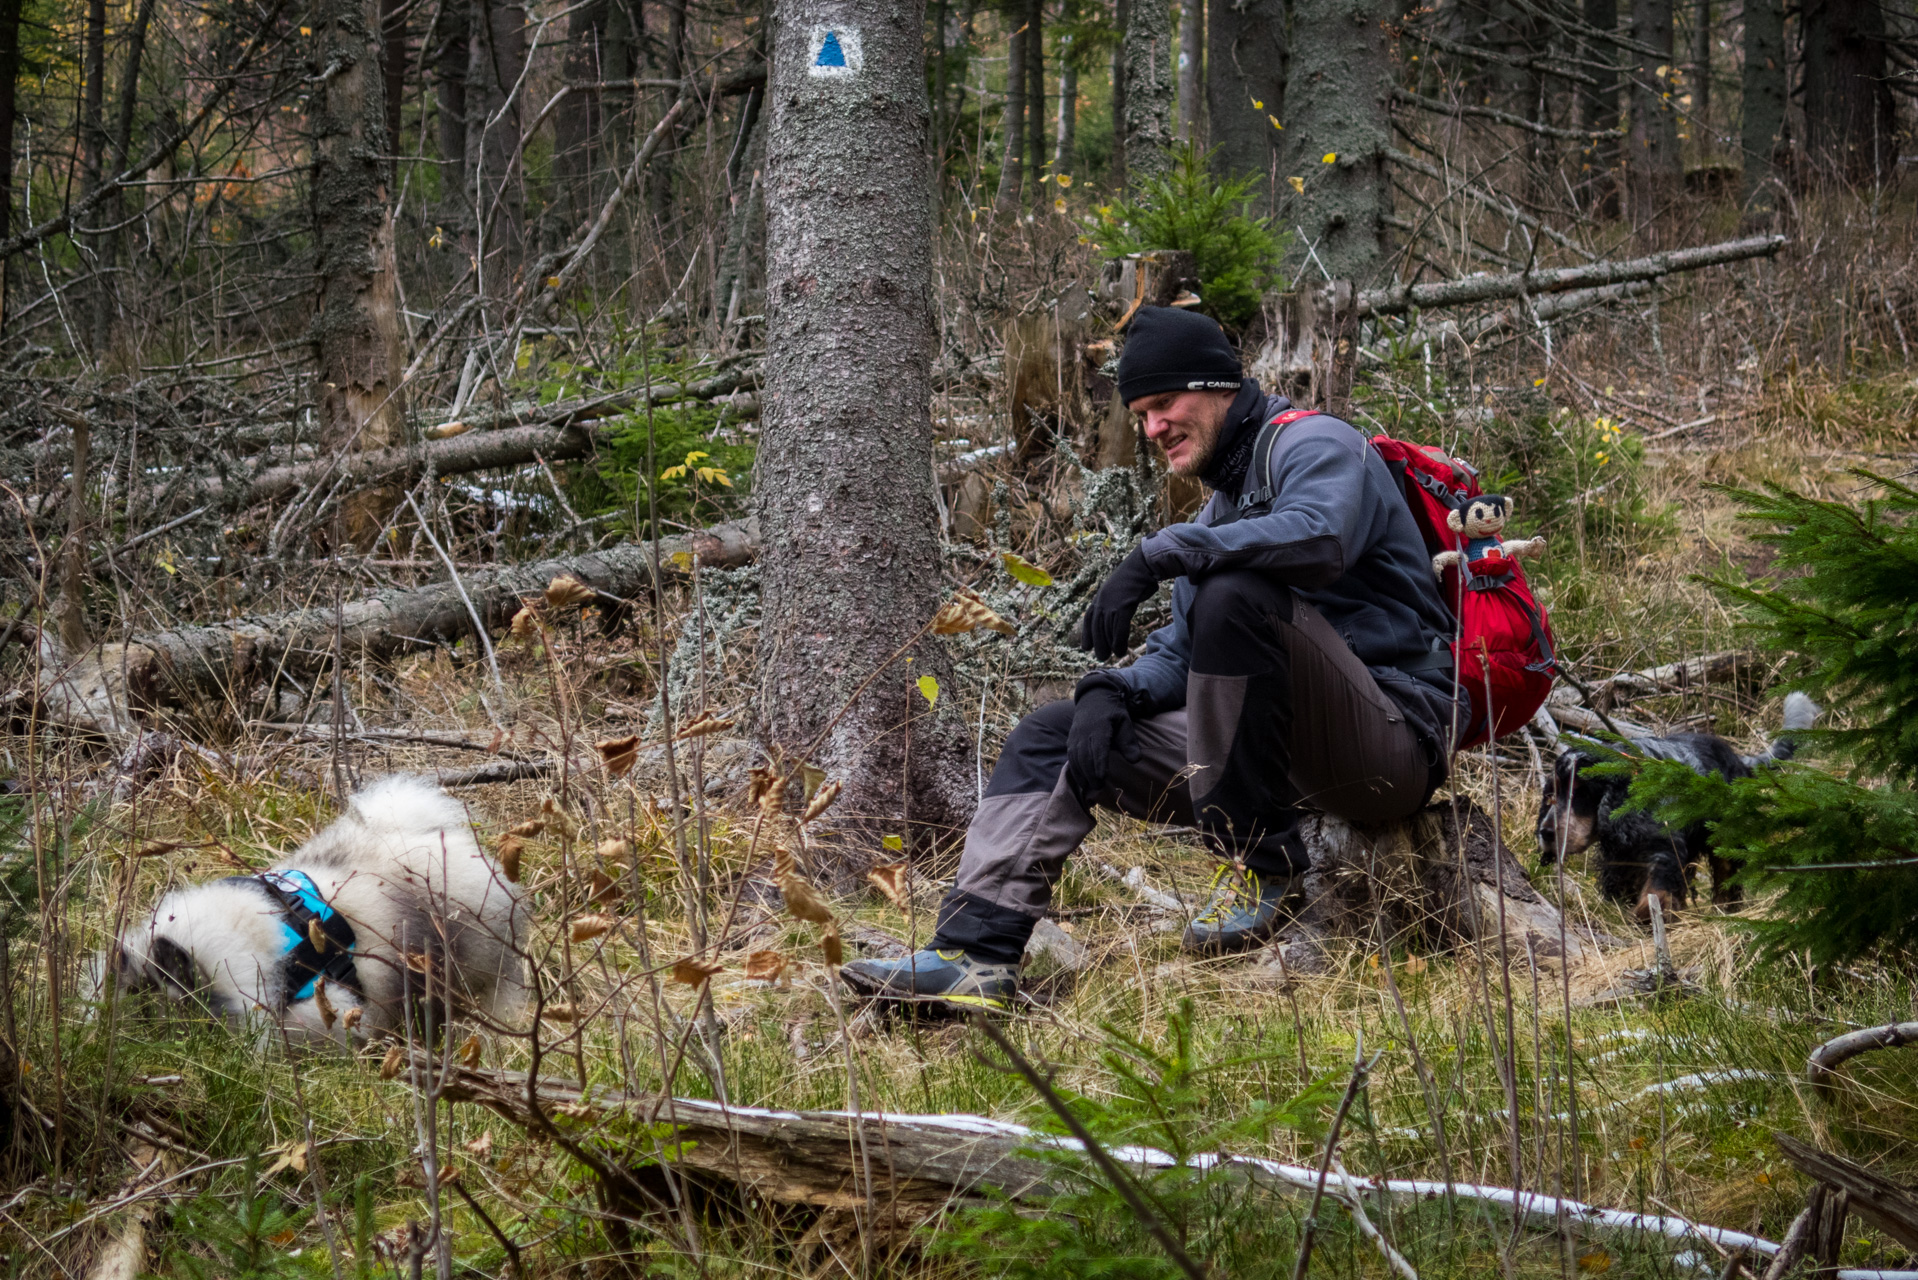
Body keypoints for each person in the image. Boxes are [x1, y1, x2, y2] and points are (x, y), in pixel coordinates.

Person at [842, 306, 1458, 1010]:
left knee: (1235, 592)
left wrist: (1161, 552)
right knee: (1055, 732)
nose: (1152, 428)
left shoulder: (1317, 444)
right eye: (1141, 413)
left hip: (1384, 746)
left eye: (1165, 404)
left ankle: (1262, 861)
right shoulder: (1221, 510)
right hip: (1278, 753)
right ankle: (975, 955)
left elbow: (1320, 539)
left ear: (1221, 386)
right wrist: (1114, 691)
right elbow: (1184, 652)